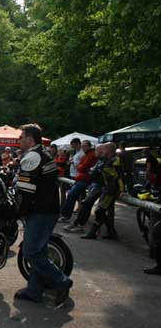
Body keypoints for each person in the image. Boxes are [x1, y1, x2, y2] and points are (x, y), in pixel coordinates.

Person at [14, 124, 72, 306]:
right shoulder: (42, 154)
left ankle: (62, 282)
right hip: (47, 209)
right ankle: (34, 290)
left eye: (21, 137)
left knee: (30, 251)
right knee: (39, 250)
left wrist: (19, 211)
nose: (19, 140)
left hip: (41, 211)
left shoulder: (32, 157)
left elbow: (26, 191)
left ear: (30, 139)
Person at [81, 142, 124, 240]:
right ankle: (111, 232)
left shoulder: (115, 160)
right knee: (100, 211)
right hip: (106, 188)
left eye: (104, 150)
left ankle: (94, 233)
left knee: (99, 211)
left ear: (108, 150)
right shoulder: (106, 160)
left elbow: (120, 175)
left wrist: (122, 190)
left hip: (112, 190)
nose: (102, 152)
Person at [59, 140, 97, 222]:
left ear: (88, 146)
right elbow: (81, 166)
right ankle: (75, 217)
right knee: (78, 196)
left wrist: (79, 165)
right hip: (80, 178)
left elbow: (82, 167)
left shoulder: (90, 155)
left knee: (73, 195)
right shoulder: (85, 154)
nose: (83, 148)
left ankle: (68, 216)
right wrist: (80, 165)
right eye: (82, 146)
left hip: (83, 179)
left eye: (84, 146)